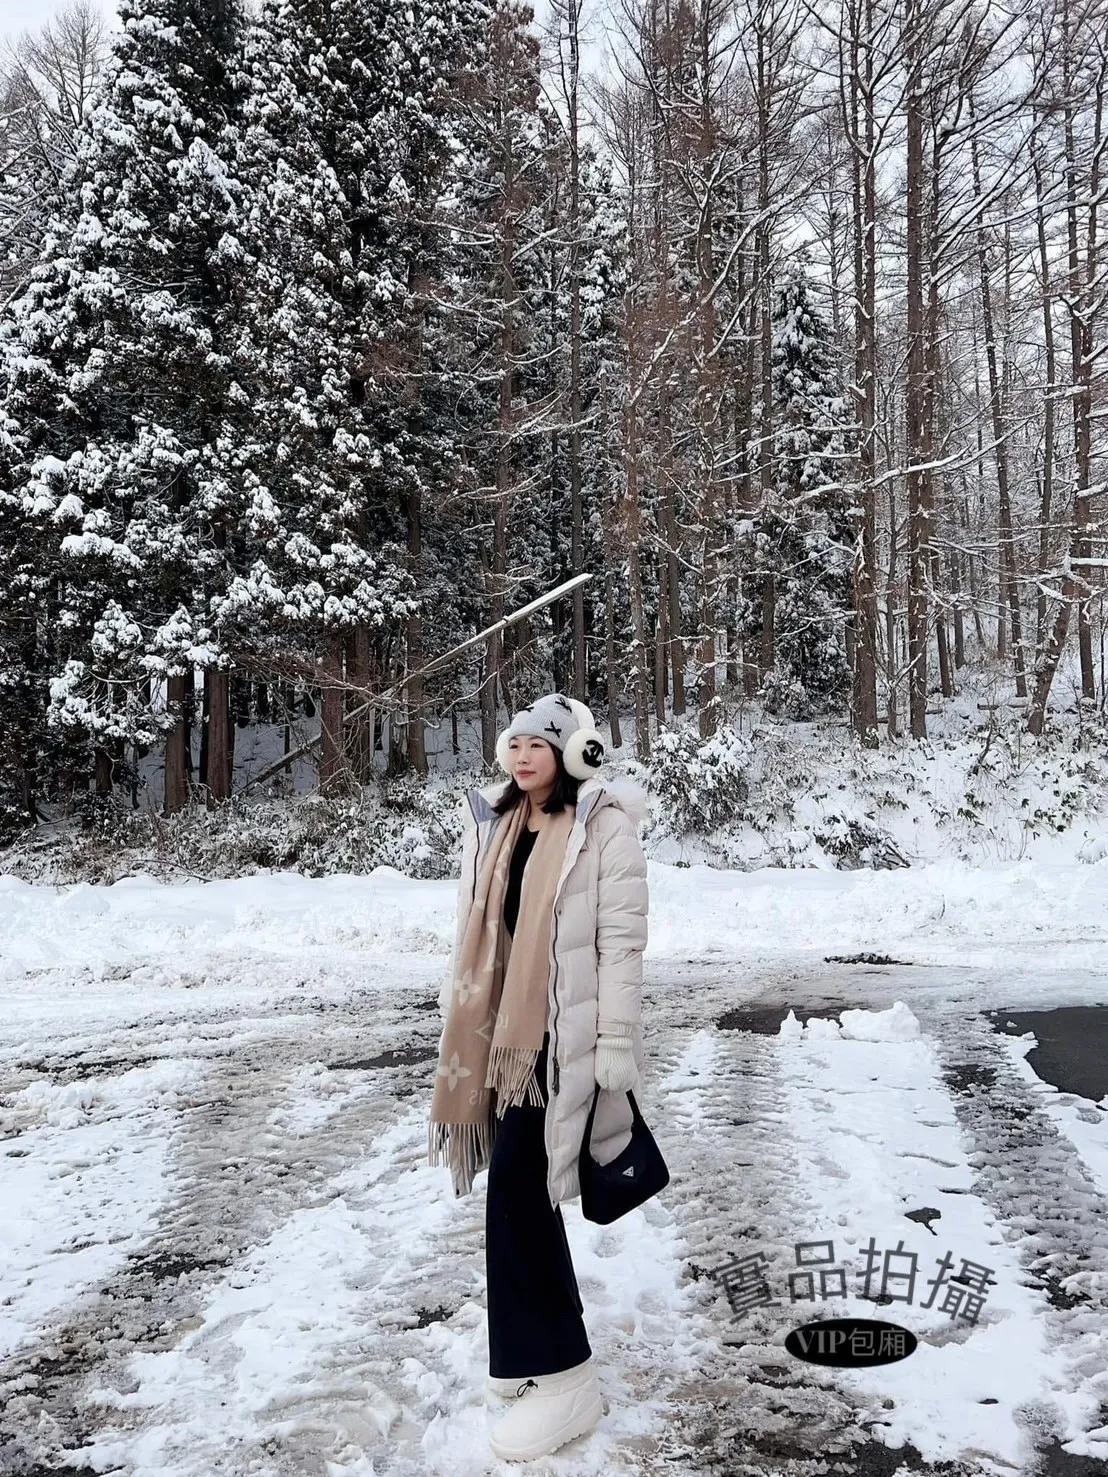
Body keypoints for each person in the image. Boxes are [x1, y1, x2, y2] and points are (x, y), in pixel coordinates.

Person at [427, 691, 650, 1462]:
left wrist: (615, 1037)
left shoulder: (603, 827)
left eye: (540, 744)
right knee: (517, 1198)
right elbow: (480, 926)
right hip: (504, 1038)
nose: (523, 756)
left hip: (561, 1041)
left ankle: (565, 1376)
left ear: (573, 752)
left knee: (521, 1194)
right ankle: (529, 1360)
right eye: (515, 743)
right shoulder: (499, 822)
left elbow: (622, 943)